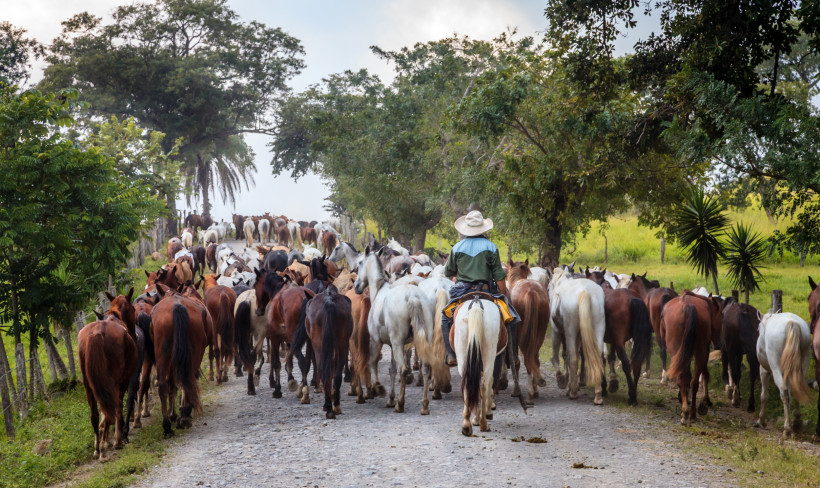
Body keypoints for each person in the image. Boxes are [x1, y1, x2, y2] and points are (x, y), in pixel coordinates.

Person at [440, 210, 521, 366]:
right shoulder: (491, 247)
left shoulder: (457, 247)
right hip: (486, 290)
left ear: (466, 228)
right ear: (483, 228)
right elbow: (499, 276)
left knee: (445, 317)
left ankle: (450, 355)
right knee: (510, 317)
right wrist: (505, 296)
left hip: (463, 291)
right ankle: (511, 356)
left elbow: (448, 271)